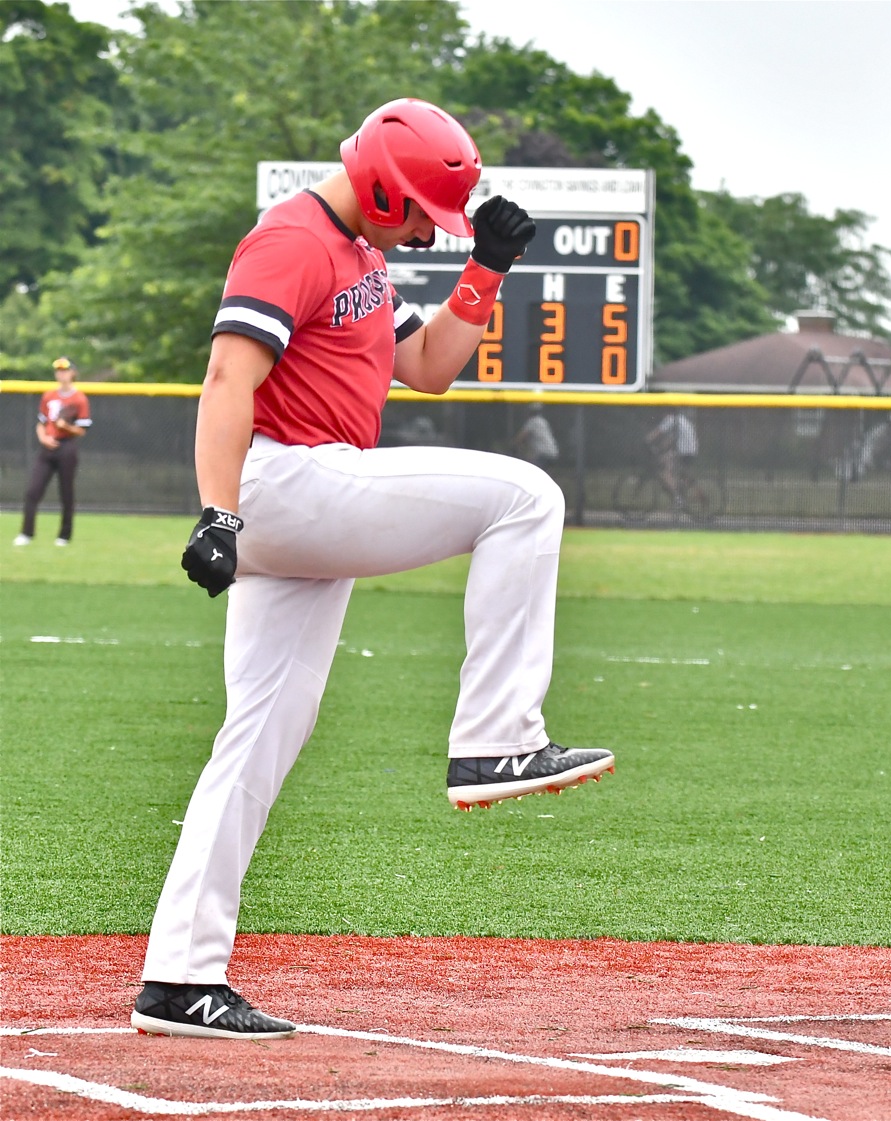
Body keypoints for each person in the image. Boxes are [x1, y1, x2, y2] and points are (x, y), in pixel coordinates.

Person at [131, 99, 615, 1041]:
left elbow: (427, 366)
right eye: (422, 217)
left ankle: (179, 979)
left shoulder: (361, 253)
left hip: (307, 498)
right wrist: (219, 510)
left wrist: (486, 268)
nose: (426, 233)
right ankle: (498, 737)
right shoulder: (292, 239)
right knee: (527, 496)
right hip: (286, 480)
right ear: (385, 188)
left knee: (257, 740)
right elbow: (228, 378)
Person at [13, 357, 92, 547]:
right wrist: (43, 438)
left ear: (72, 373)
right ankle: (26, 533)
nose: (61, 374)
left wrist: (66, 426)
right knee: (33, 491)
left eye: (65, 370)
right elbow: (41, 423)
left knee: (66, 493)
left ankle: (64, 536)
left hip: (66, 447)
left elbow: (82, 430)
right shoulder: (49, 396)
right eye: (58, 370)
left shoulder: (79, 398)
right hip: (47, 447)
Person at [646, 408, 698, 508]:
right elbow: (670, 440)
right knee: (676, 471)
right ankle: (685, 491)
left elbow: (657, 432)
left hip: (683, 451)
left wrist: (646, 441)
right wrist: (660, 448)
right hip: (691, 451)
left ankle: (679, 498)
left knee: (663, 471)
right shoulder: (681, 419)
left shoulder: (670, 419)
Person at [512, 402, 559, 471]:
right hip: (552, 453)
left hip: (544, 455)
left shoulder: (532, 422)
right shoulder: (543, 421)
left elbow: (521, 437)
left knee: (531, 470)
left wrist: (512, 445)